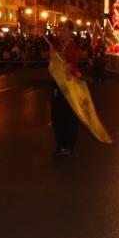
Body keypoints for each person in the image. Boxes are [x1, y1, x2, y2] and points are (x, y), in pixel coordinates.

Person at [48, 23, 85, 157]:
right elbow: (52, 63)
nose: (61, 32)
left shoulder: (74, 48)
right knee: (57, 115)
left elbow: (74, 63)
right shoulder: (56, 46)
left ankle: (69, 145)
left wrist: (67, 64)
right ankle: (61, 144)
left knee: (69, 115)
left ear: (70, 32)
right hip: (57, 84)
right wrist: (52, 54)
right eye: (60, 30)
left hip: (70, 84)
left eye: (64, 30)